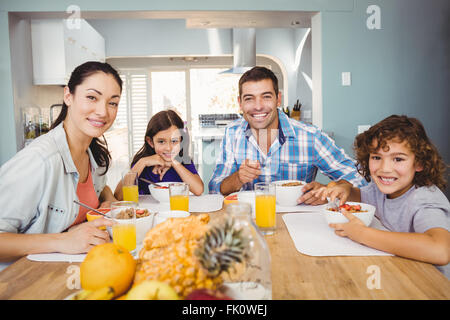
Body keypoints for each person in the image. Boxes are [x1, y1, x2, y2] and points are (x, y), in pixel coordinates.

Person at [0, 61, 122, 267]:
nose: (103, 111)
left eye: (113, 102)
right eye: (92, 97)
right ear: (68, 96)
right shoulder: (39, 161)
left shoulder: (93, 153)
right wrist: (64, 240)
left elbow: (99, 189)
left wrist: (108, 201)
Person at [313, 115, 450, 278]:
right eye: (376, 157)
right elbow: (361, 196)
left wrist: (362, 234)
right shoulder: (381, 190)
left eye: (398, 159)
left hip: (427, 285)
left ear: (419, 163)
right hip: (396, 273)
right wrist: (346, 190)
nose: (385, 168)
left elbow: (440, 250)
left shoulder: (424, 198)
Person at [208, 66, 365, 204]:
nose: (258, 106)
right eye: (249, 99)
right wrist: (238, 178)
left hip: (299, 224)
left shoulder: (310, 136)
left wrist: (327, 189)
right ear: (240, 103)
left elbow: (360, 178)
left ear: (278, 99)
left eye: (266, 97)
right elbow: (215, 189)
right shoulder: (232, 133)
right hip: (248, 221)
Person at [114, 110, 204, 198]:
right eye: (161, 141)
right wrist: (142, 162)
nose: (169, 148)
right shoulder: (143, 164)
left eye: (174, 141)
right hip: (149, 212)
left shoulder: (183, 161)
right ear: (151, 142)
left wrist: (174, 163)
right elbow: (119, 196)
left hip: (176, 211)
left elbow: (198, 190)